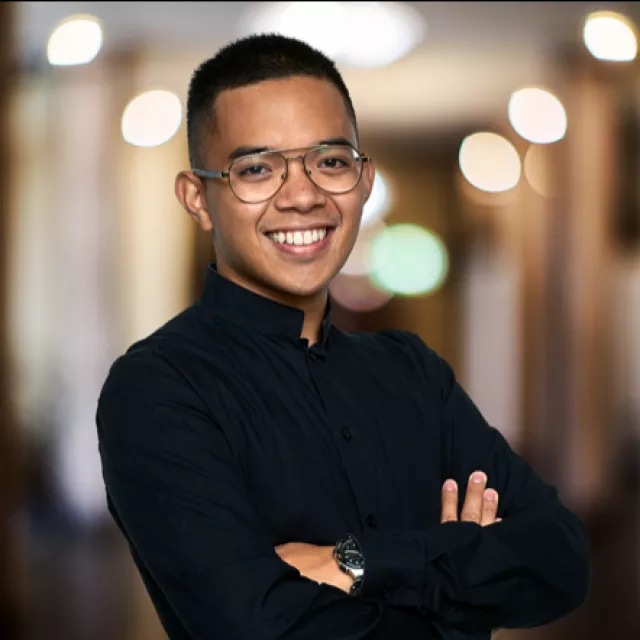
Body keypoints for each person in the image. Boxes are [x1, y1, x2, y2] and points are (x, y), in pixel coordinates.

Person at [96, 33, 591, 640]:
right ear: (197, 198)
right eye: (256, 170)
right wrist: (454, 574)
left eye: (329, 161)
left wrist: (356, 562)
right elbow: (253, 626)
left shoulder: (413, 371)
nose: (303, 196)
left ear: (363, 178)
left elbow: (561, 558)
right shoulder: (158, 388)